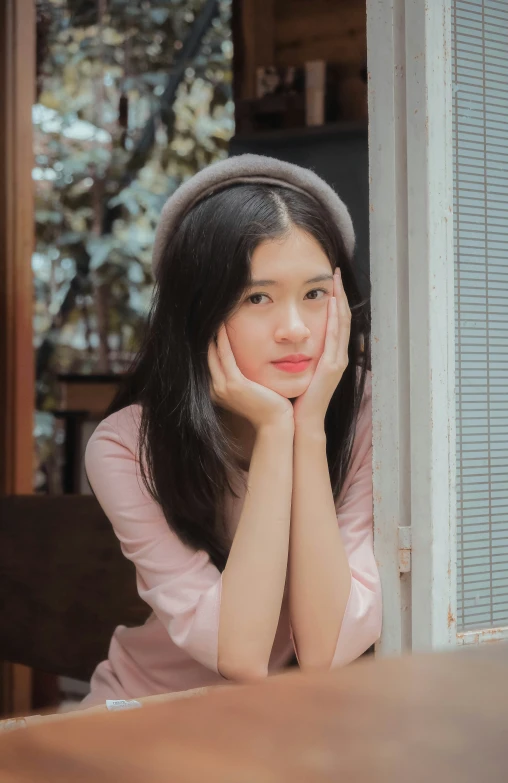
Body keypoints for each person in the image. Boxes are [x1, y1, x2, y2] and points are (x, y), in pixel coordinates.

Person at [80, 154, 382, 707]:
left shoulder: (365, 410)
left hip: (283, 729)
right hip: (147, 714)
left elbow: (326, 650)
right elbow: (241, 654)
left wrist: (308, 429)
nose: (294, 330)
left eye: (315, 294)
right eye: (256, 297)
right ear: (197, 309)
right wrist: (273, 430)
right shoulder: (127, 446)